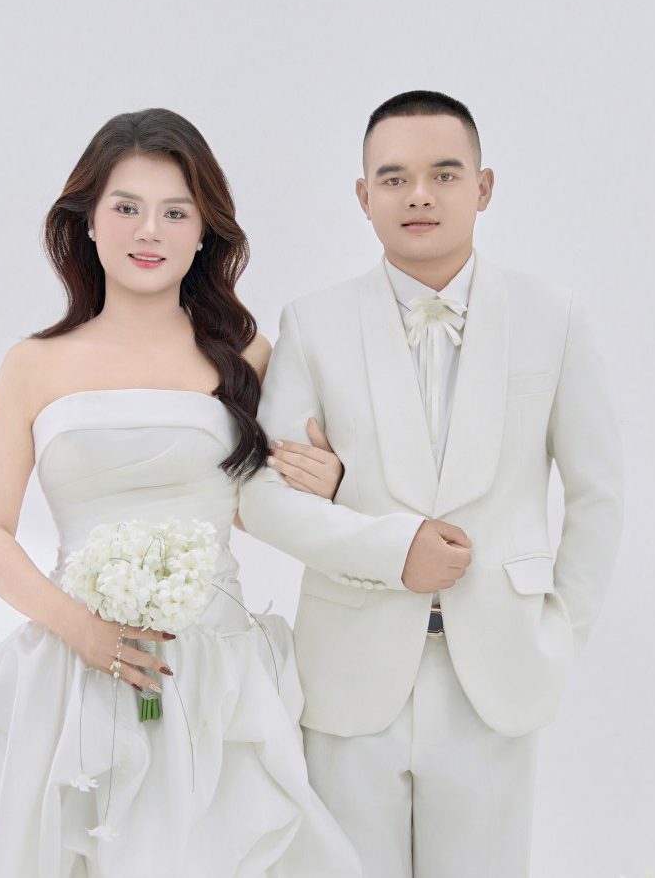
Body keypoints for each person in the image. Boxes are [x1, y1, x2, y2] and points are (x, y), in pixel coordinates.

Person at [0, 108, 364, 877]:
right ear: (87, 223)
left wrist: (328, 483)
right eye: (126, 207)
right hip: (78, 666)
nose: (148, 231)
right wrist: (82, 631)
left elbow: (265, 508)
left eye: (174, 212)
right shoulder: (32, 364)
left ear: (203, 233)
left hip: (217, 675)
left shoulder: (246, 355)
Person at [241, 89, 625, 878]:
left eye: (443, 174)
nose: (418, 195)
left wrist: (559, 635)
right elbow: (261, 499)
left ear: (482, 188)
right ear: (363, 197)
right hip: (348, 670)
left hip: (499, 668)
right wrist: (391, 549)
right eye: (393, 178)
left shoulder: (552, 317)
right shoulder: (312, 323)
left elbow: (597, 495)